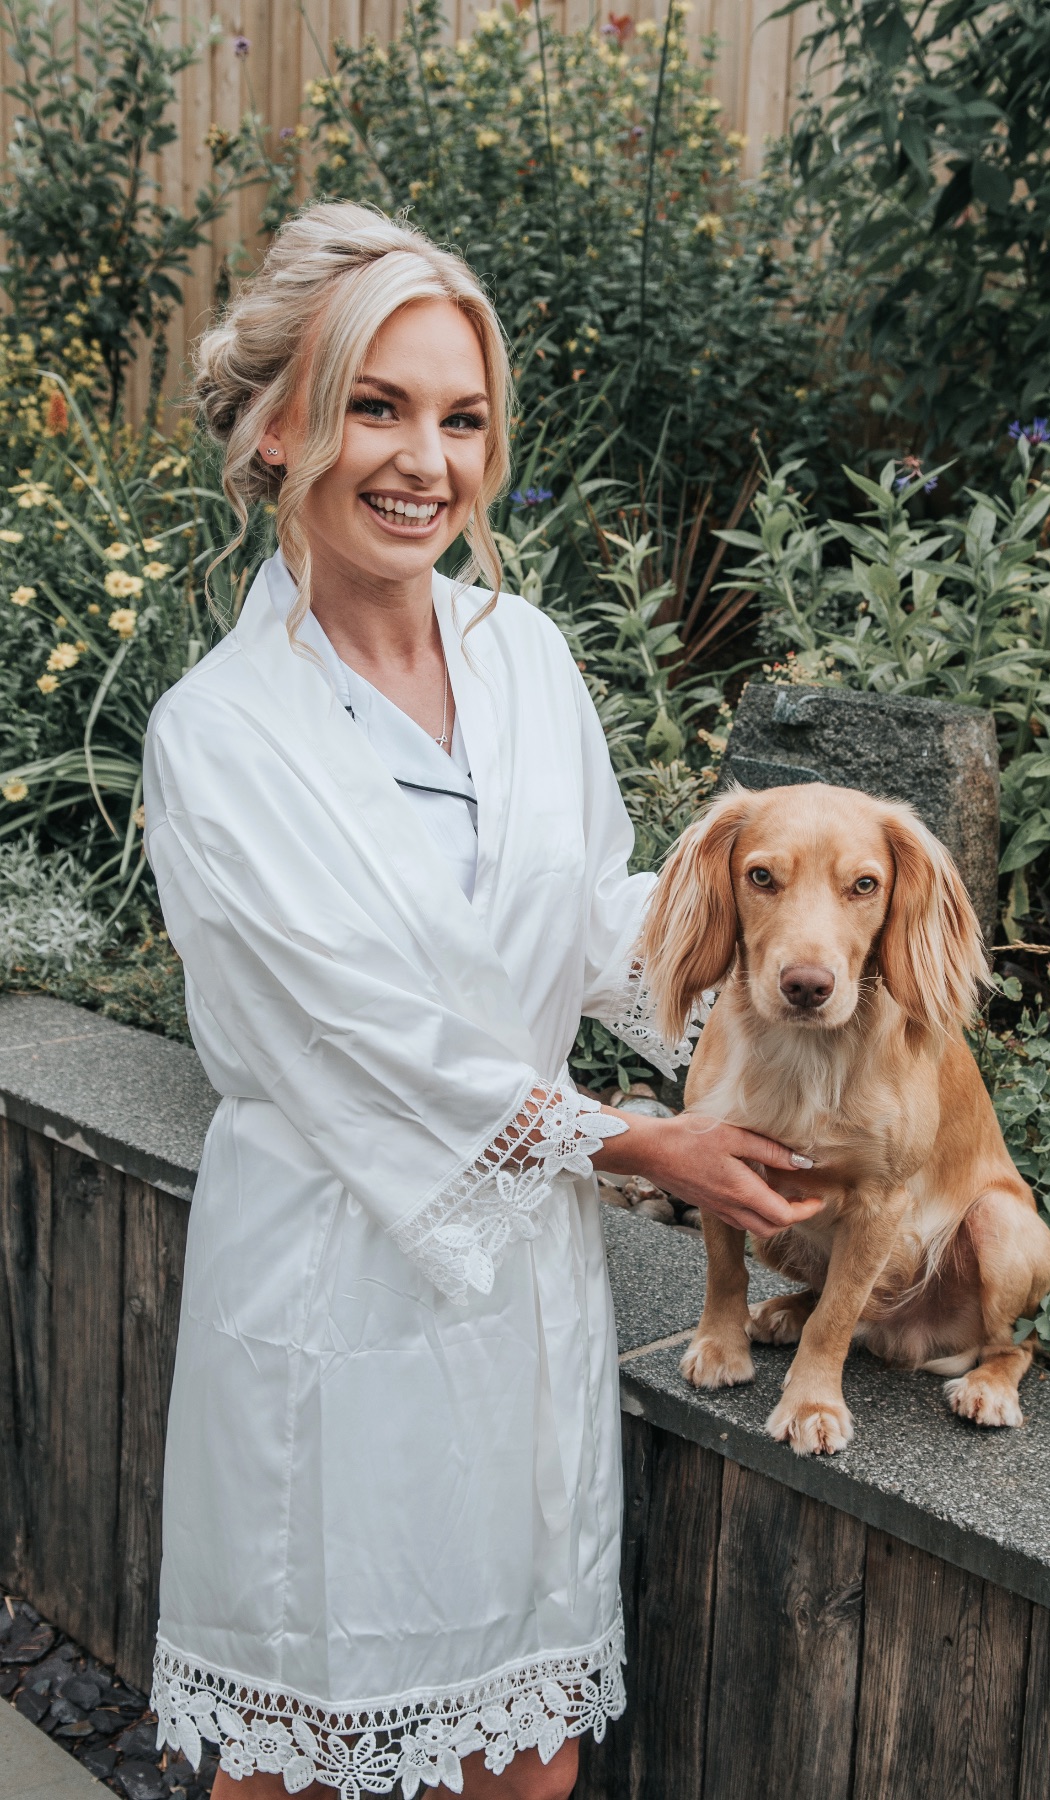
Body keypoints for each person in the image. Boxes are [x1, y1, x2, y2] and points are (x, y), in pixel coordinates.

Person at [144, 203, 820, 1800]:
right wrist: (633, 1144)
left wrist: (780, 979)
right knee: (301, 1752)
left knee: (528, 1748)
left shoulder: (526, 658)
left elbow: (588, 914)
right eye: (376, 406)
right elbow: (352, 1033)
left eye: (460, 418)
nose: (423, 461)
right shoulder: (217, 733)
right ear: (279, 427)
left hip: (519, 1289)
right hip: (329, 1277)